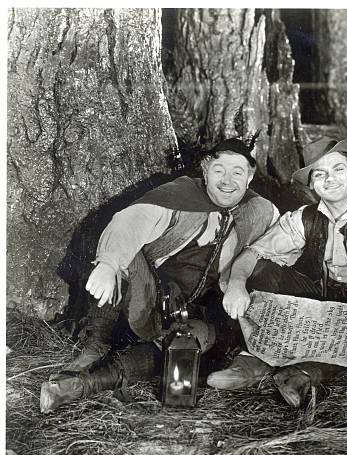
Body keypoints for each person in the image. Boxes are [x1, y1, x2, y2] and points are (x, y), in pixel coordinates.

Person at [40, 136, 279, 413]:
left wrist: (239, 284)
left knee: (186, 346)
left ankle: (83, 385)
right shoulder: (179, 195)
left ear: (249, 178)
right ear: (205, 170)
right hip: (147, 292)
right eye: (219, 171)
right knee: (126, 259)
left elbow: (282, 241)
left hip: (194, 311)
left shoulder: (259, 210)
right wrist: (108, 263)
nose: (227, 181)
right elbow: (130, 221)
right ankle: (95, 344)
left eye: (237, 172)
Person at [206, 136, 347, 407]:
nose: (330, 179)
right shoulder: (305, 216)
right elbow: (254, 252)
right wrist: (237, 284)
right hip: (319, 302)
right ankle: (255, 358)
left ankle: (302, 373)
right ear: (312, 184)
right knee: (260, 270)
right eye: (320, 174)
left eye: (338, 169)